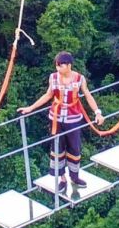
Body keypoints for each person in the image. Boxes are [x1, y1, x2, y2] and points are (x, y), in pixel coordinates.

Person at [18, 52, 104, 192]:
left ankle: (74, 177)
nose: (58, 69)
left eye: (61, 66)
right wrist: (31, 108)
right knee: (57, 148)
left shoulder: (79, 79)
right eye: (57, 66)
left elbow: (87, 95)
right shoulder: (53, 78)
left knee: (74, 148)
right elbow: (48, 95)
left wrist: (97, 112)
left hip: (73, 118)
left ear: (69, 65)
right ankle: (62, 179)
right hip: (56, 118)